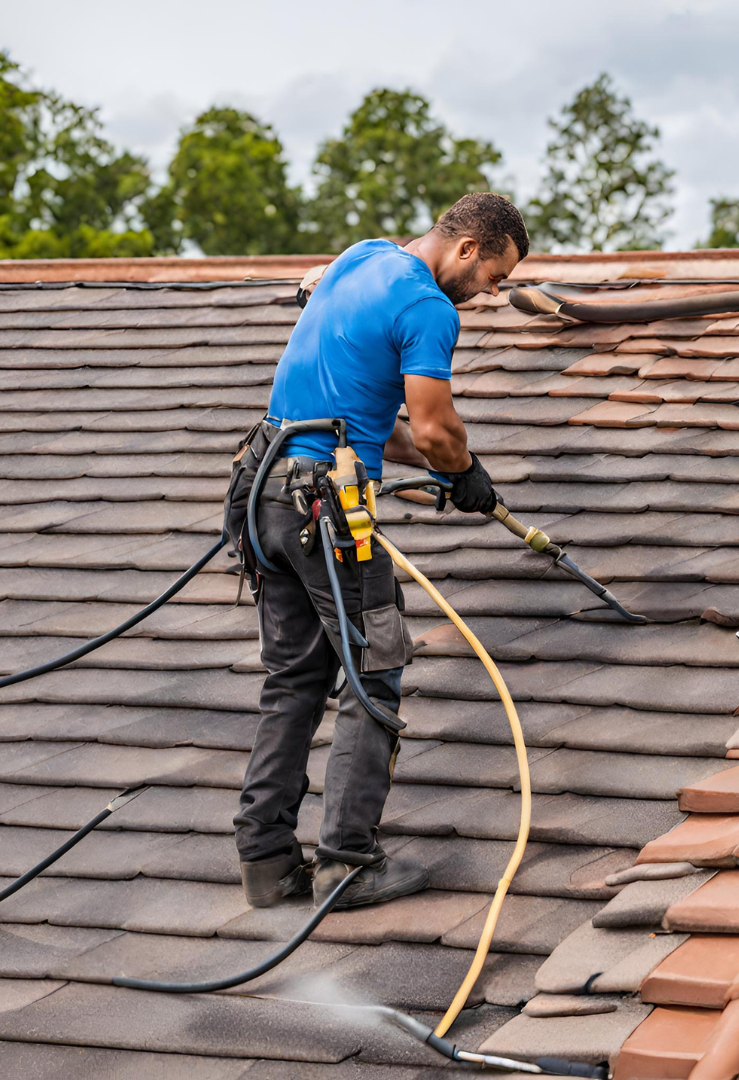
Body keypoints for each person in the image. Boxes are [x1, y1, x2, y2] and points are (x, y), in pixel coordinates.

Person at [225, 193, 529, 910]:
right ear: (467, 251)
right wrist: (460, 468)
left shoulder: (362, 257)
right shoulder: (429, 308)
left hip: (265, 493)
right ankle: (348, 863)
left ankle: (267, 864)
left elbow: (370, 424)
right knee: (375, 673)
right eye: (493, 277)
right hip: (327, 513)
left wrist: (450, 468)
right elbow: (431, 428)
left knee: (293, 683)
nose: (490, 294)